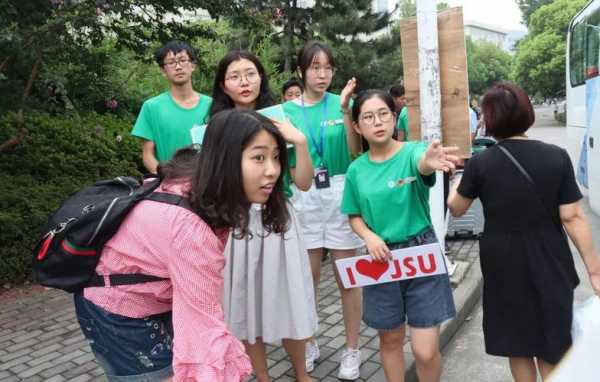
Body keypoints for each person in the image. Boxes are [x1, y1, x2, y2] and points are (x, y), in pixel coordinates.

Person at [74, 109, 293, 381]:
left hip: (149, 295)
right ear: (224, 160)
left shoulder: (200, 183)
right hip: (118, 310)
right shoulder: (189, 227)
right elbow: (202, 325)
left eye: (275, 157)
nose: (272, 170)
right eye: (258, 157)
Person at [447, 82, 600, 382]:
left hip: (504, 267)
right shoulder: (555, 156)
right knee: (552, 346)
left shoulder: (481, 164)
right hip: (550, 263)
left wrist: (456, 179)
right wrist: (594, 270)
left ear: (488, 120)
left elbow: (456, 208)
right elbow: (572, 217)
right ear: (527, 112)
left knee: (518, 346)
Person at [210, 50, 317, 382]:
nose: (244, 81)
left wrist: (297, 141)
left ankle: (302, 374)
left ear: (261, 77)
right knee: (244, 306)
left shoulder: (283, 118)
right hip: (235, 223)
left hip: (277, 218)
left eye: (251, 73)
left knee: (290, 301)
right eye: (235, 75)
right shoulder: (214, 126)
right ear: (223, 85)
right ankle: (262, 376)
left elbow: (303, 182)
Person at [341, 90, 458, 382]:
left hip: (421, 255)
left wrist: (429, 161)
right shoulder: (356, 170)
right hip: (380, 261)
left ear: (394, 118)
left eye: (384, 114)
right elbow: (353, 216)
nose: (377, 122)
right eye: (368, 117)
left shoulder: (412, 152)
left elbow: (422, 162)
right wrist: (368, 236)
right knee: (390, 341)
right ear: (357, 126)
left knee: (425, 350)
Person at [282, 40, 364, 380]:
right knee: (307, 279)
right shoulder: (285, 111)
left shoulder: (343, 104)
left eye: (327, 67)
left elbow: (355, 150)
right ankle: (310, 341)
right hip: (303, 195)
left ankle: (352, 349)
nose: (322, 74)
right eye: (315, 67)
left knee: (348, 277)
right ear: (302, 71)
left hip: (341, 191)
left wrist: (346, 109)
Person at [131, 40, 212, 173]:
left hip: (207, 183)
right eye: (171, 62)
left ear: (192, 65)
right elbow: (147, 155)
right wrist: (166, 180)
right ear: (163, 70)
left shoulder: (211, 105)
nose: (178, 67)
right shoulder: (152, 107)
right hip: (168, 187)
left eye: (182, 60)